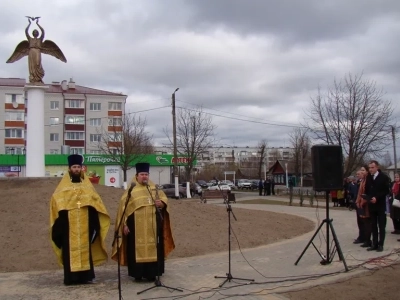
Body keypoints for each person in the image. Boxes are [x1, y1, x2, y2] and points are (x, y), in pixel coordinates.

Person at [50, 154, 110, 285]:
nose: (76, 169)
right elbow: (57, 205)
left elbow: (95, 205)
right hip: (68, 228)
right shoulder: (62, 188)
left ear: (82, 168)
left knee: (85, 250)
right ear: (69, 169)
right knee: (69, 253)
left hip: (85, 226)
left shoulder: (88, 187)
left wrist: (94, 226)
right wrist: (60, 229)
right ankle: (71, 278)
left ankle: (86, 277)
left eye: (78, 167)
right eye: (74, 167)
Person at [111, 162, 175, 281]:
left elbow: (164, 199)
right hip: (135, 228)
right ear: (137, 175)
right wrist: (124, 224)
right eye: (142, 174)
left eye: (146, 174)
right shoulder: (131, 190)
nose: (144, 176)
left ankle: (152, 274)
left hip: (153, 227)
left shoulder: (154, 188)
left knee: (154, 247)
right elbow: (123, 209)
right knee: (135, 249)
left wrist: (162, 203)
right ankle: (137, 274)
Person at [364, 160, 390, 252]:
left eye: (372, 167)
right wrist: (367, 197)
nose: (370, 169)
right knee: (373, 225)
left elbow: (386, 191)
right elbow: (367, 190)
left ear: (377, 167)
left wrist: (377, 198)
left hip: (380, 205)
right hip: (372, 205)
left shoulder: (383, 177)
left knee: (381, 225)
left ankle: (381, 244)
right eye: (369, 168)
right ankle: (374, 244)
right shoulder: (368, 178)